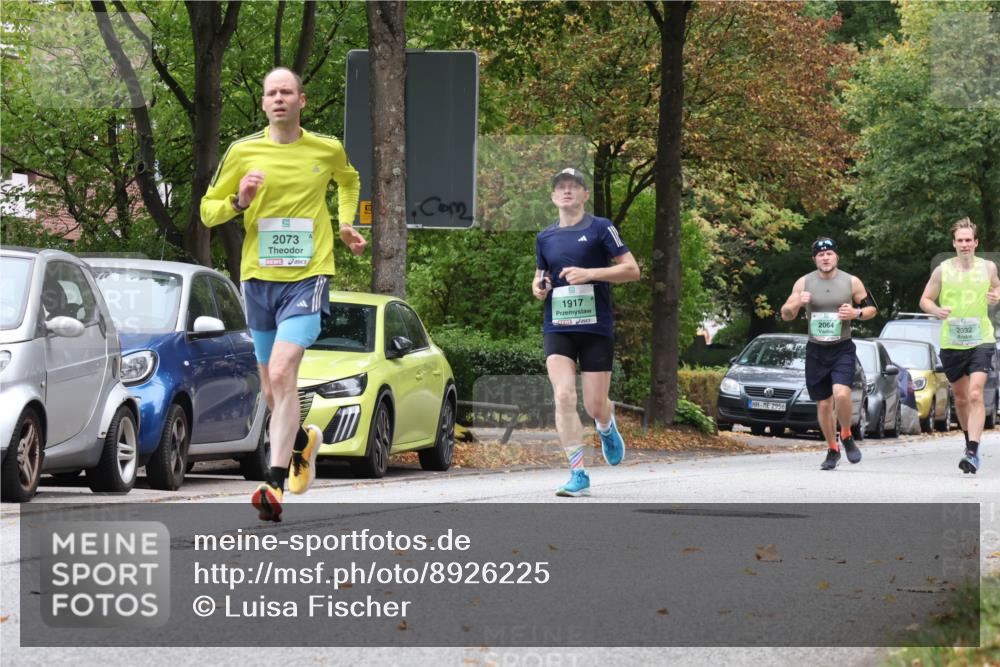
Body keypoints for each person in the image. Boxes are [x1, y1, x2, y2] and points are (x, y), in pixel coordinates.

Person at [201, 67, 366, 521]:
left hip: (309, 276)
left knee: (282, 367)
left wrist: (347, 222)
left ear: (301, 100)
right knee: (273, 387)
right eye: (271, 92)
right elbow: (208, 212)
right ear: (263, 103)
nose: (278, 98)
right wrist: (240, 201)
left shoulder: (326, 149)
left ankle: (273, 485)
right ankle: (300, 443)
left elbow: (349, 181)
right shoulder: (243, 152)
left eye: (286, 91)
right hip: (258, 278)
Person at [532, 168, 640, 497]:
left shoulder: (601, 228)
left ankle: (605, 425)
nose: (567, 192)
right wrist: (538, 287)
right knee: (564, 396)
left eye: (573, 187)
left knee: (595, 406)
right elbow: (539, 277)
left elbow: (632, 270)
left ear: (584, 195)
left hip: (595, 327)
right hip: (559, 326)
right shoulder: (545, 237)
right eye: (561, 188)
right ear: (553, 197)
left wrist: (590, 273)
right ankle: (577, 472)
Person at [780, 237, 877, 470]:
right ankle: (832, 449)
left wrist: (856, 313)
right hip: (816, 350)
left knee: (841, 394)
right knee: (823, 404)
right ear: (814, 259)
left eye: (830, 254)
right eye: (821, 255)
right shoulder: (803, 283)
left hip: (842, 347)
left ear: (836, 257)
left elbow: (872, 308)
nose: (825, 258)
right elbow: (785, 313)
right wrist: (796, 304)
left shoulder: (851, 282)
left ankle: (846, 434)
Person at [919, 217, 1000, 474]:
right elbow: (925, 299)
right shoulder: (942, 269)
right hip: (952, 341)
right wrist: (936, 310)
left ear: (976, 243)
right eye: (960, 241)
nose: (964, 244)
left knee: (976, 393)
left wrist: (996, 295)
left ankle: (973, 451)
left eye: (968, 240)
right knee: (962, 398)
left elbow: (998, 288)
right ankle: (969, 443)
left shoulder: (988, 267)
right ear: (954, 244)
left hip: (981, 338)